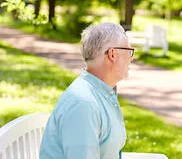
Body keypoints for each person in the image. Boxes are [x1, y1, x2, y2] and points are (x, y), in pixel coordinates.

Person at [40, 23, 134, 159]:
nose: (131, 58)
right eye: (129, 52)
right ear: (112, 54)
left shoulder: (102, 94)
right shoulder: (83, 104)